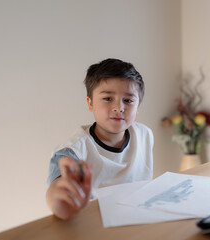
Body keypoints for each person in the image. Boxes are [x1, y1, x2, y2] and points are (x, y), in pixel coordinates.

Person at [46, 58, 154, 220]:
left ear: (137, 106)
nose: (119, 107)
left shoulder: (144, 134)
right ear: (90, 103)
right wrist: (61, 202)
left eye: (128, 100)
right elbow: (56, 192)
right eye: (108, 98)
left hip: (137, 221)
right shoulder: (73, 151)